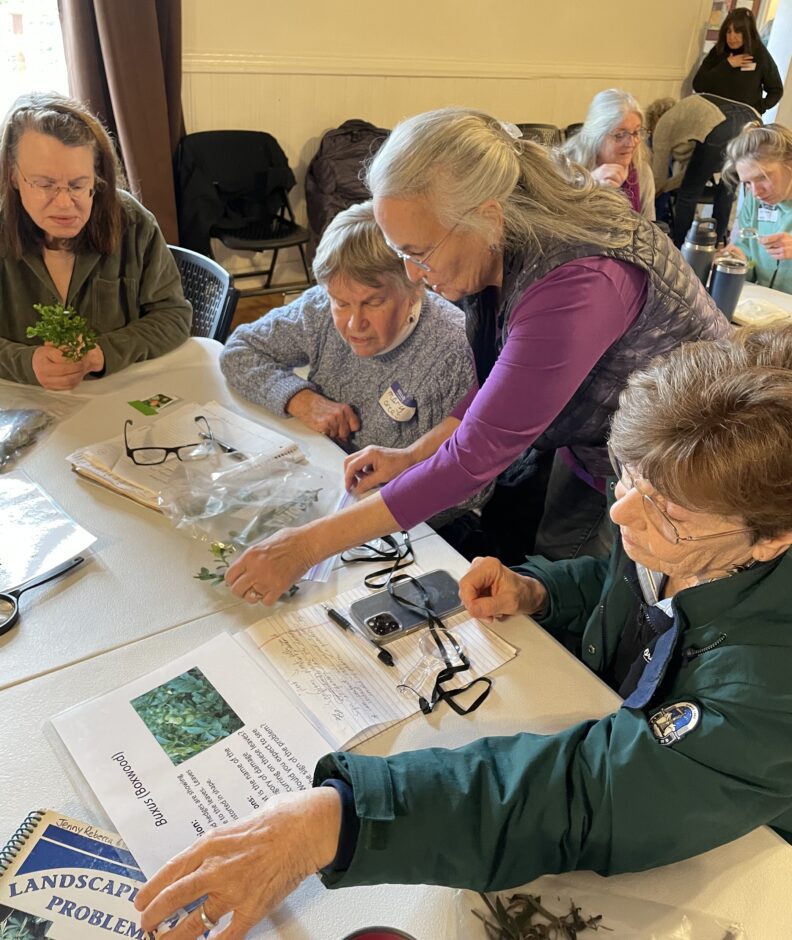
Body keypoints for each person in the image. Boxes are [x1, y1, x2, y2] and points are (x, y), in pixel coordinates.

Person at [134, 327, 792, 938]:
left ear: (773, 540)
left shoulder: (776, 676)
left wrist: (341, 820)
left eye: (668, 514)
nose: (620, 513)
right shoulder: (682, 523)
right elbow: (635, 592)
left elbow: (594, 794)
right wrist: (542, 592)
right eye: (626, 478)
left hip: (740, 860)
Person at [218, 105, 727, 596]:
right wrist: (414, 456)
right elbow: (506, 379)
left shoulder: (579, 281)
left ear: (485, 216)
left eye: (418, 253)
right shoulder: (506, 235)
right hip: (598, 445)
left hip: (689, 469)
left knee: (626, 598)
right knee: (566, 567)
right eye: (402, 254)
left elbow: (474, 459)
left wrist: (303, 547)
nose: (414, 274)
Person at [220, 199, 487, 528]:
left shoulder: (452, 351)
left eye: (372, 303)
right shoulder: (322, 305)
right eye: (341, 303)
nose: (352, 323)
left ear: (415, 287)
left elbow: (469, 489)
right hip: (324, 479)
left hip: (403, 518)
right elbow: (239, 351)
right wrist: (300, 399)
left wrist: (382, 498)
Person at [0, 92, 192, 389]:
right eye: (45, 184)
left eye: (78, 185)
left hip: (114, 396)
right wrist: (24, 362)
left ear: (97, 178)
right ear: (13, 175)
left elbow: (173, 316)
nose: (64, 204)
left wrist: (101, 353)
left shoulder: (132, 222)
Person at [647, 93, 759, 246]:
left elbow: (657, 177)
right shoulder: (689, 117)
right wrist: (666, 186)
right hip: (752, 119)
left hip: (721, 125)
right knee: (726, 191)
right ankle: (716, 245)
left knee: (687, 195)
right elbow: (691, 172)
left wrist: (650, 193)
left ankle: (681, 248)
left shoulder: (664, 124)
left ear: (655, 120)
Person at [720, 122, 792, 294]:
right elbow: (747, 251)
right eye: (747, 183)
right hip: (767, 307)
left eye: (762, 177)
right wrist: (737, 259)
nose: (756, 192)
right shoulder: (754, 200)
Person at [562, 88, 655, 220]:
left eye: (636, 132)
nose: (632, 143)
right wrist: (590, 187)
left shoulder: (642, 172)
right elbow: (555, 226)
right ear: (596, 136)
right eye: (620, 135)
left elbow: (650, 229)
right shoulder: (565, 167)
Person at [693, 8, 783, 118]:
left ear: (748, 32)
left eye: (738, 31)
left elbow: (776, 90)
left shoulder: (760, 54)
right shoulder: (719, 51)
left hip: (744, 121)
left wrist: (757, 109)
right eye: (729, 31)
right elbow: (698, 85)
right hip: (713, 116)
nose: (732, 37)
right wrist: (726, 65)